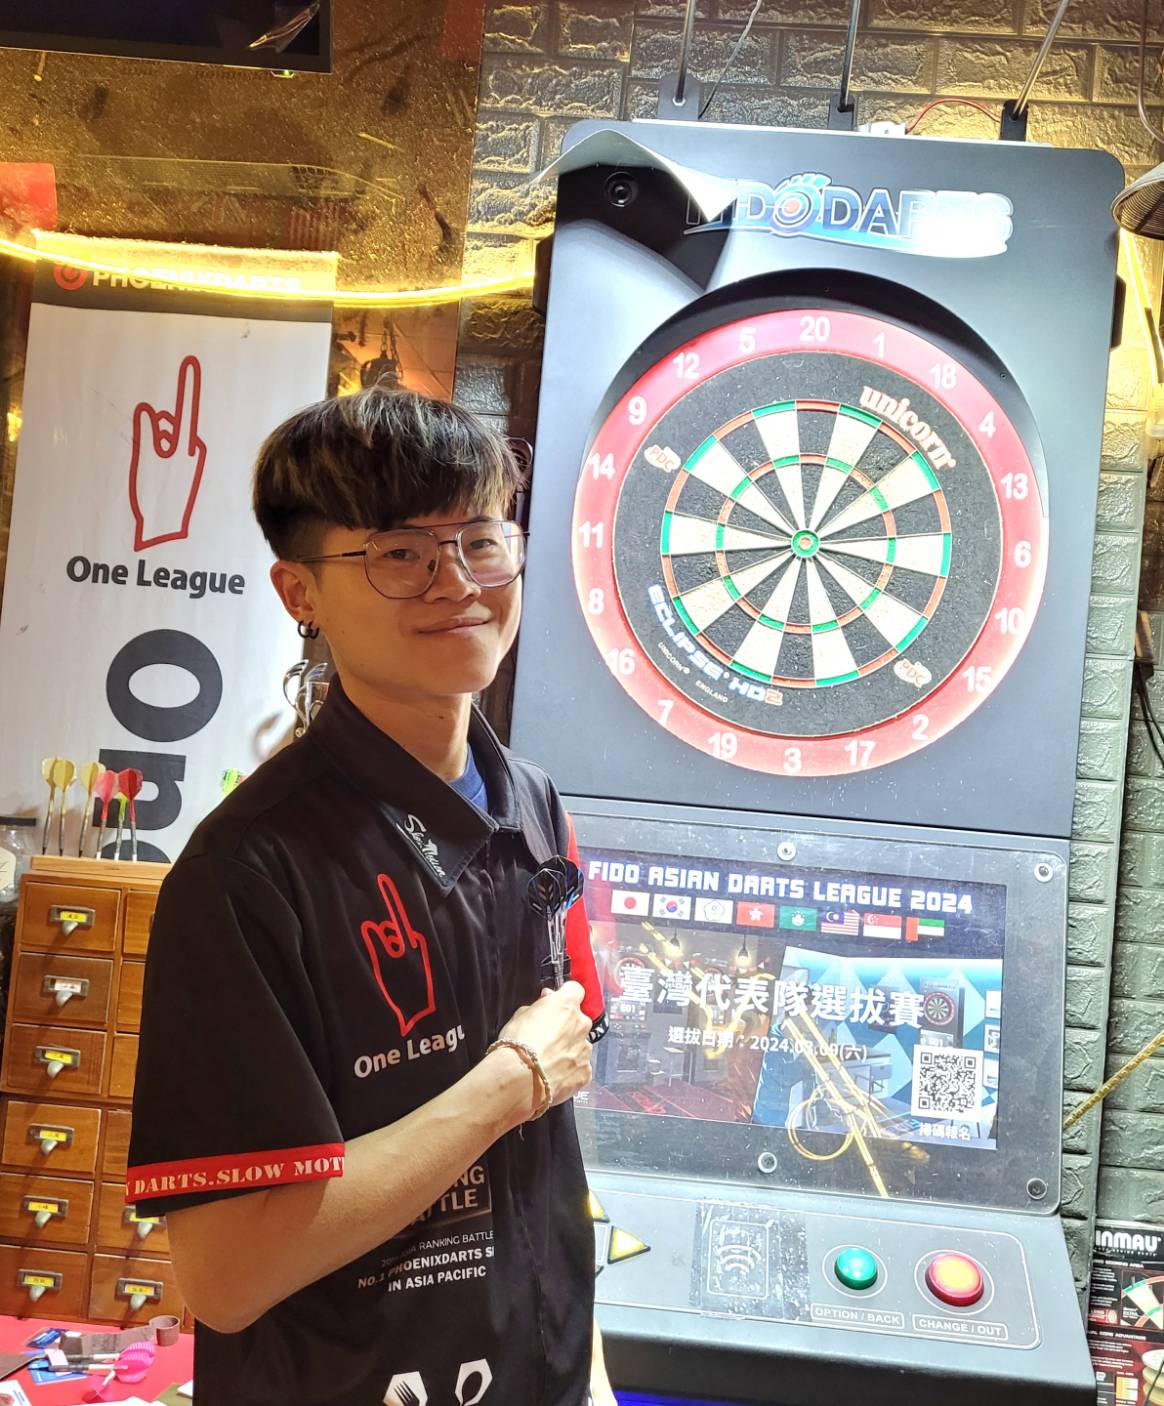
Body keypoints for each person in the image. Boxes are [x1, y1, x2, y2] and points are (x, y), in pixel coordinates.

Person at [128, 387, 613, 1406]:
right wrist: (511, 1080)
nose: (459, 582)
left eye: (481, 539)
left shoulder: (535, 807)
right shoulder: (245, 874)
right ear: (298, 590)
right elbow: (225, 1276)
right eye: (401, 552)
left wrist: (594, 1374)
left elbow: (551, 1155)